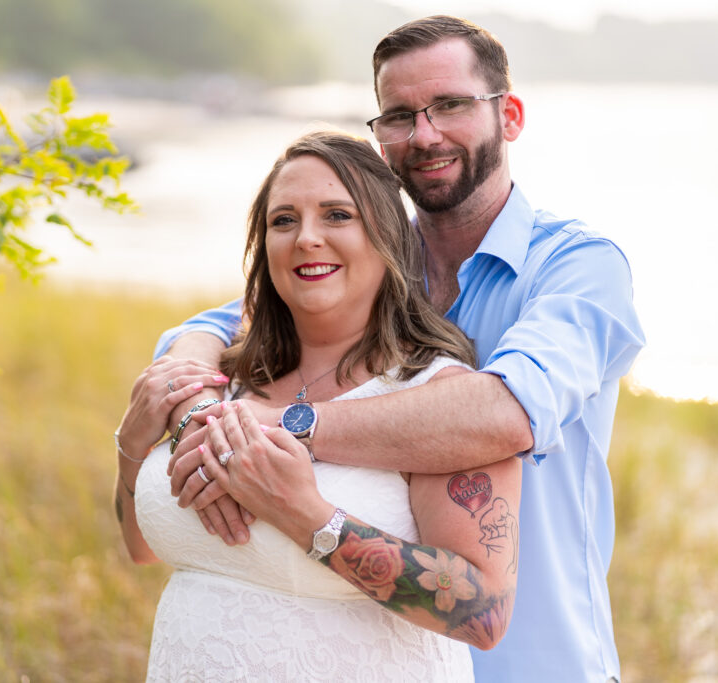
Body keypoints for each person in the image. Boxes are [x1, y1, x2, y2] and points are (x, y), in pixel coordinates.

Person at [153, 15, 645, 683]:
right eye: (399, 115)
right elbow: (211, 333)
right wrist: (197, 416)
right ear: (379, 138)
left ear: (511, 116)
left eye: (450, 106)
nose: (425, 135)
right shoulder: (366, 260)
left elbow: (504, 414)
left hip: (537, 665)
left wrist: (283, 427)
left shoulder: (578, 267)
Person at [114, 131, 522, 681]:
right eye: (284, 220)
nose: (306, 238)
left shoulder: (437, 401)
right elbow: (144, 547)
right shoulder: (222, 380)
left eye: (336, 215)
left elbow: (484, 614)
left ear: (387, 238)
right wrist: (131, 449)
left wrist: (307, 517)